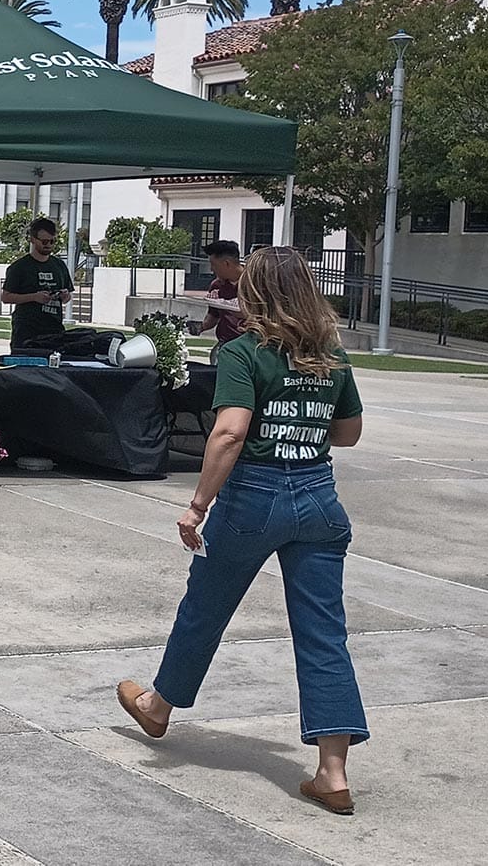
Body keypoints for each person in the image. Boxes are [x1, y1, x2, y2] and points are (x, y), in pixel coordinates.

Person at [116, 247, 368, 816]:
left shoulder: (241, 351)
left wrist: (197, 504)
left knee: (205, 607)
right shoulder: (330, 354)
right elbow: (348, 433)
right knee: (324, 633)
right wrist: (305, 423)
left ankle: (159, 706)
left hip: (253, 497)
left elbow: (229, 433)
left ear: (254, 292)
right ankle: (332, 771)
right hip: (319, 499)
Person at [0, 216, 73, 349]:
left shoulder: (59, 266)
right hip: (27, 331)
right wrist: (34, 297)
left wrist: (64, 295)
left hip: (54, 330)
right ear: (33, 240)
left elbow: (67, 297)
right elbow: (6, 297)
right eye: (44, 242)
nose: (49, 245)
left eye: (52, 241)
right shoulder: (20, 267)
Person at [199, 240, 246, 348]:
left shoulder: (254, 283)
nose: (211, 269)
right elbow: (213, 317)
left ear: (227, 263)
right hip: (225, 344)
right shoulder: (216, 285)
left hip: (249, 346)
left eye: (213, 265)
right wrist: (200, 327)